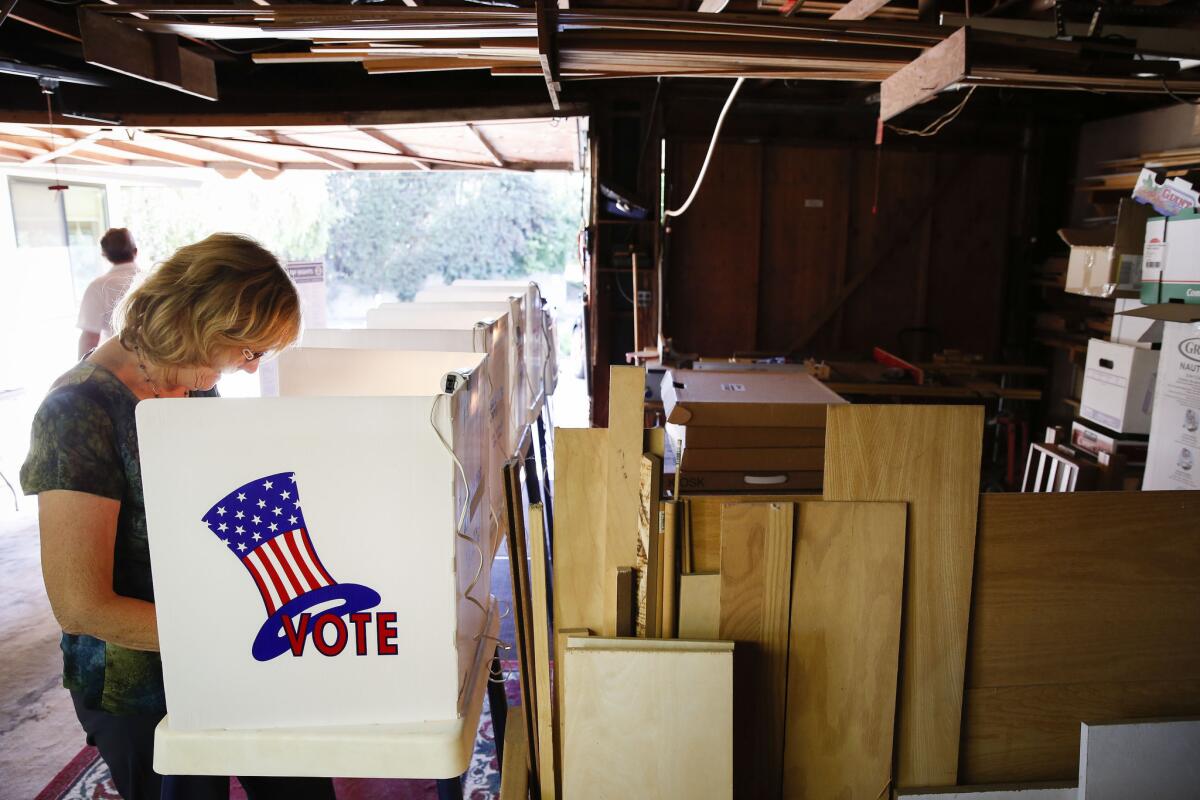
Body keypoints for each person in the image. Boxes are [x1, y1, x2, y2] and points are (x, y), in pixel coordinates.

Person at [21, 233, 334, 800]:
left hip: (224, 655)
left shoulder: (188, 386)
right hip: (137, 682)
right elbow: (81, 605)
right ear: (200, 324)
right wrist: (228, 635)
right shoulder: (78, 410)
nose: (248, 368)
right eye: (248, 351)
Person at [77, 228, 141, 359]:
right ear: (135, 251)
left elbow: (89, 338)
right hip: (155, 362)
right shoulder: (152, 280)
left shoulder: (97, 287)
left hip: (116, 362)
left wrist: (80, 374)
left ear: (104, 255)